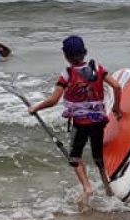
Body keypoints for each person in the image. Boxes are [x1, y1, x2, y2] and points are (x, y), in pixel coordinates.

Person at [28, 34, 123, 204]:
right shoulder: (98, 68)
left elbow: (53, 100)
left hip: (81, 123)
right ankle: (108, 188)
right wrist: (116, 107)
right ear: (84, 52)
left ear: (66, 56)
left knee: (75, 156)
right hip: (99, 120)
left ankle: (87, 187)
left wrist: (35, 108)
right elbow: (116, 86)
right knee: (98, 156)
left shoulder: (67, 74)